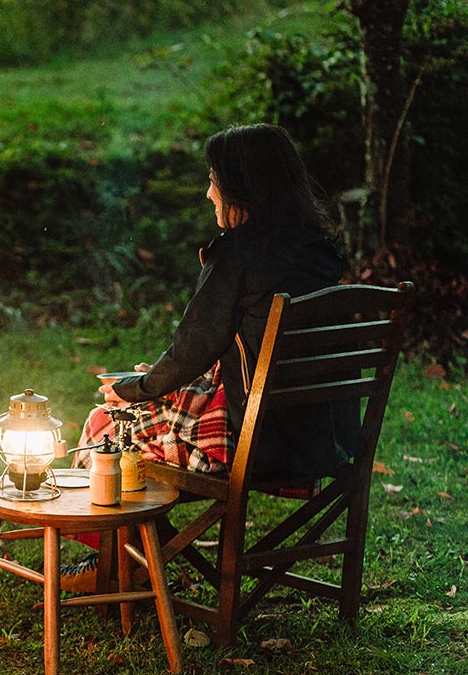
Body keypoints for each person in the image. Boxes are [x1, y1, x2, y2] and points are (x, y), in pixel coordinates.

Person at [63, 123, 359, 592]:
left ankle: (125, 566)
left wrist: (132, 391)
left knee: (105, 426)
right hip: (326, 441)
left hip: (255, 445)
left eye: (213, 180)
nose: (207, 193)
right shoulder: (321, 253)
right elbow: (239, 353)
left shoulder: (237, 256)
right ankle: (142, 561)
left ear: (242, 188)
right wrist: (164, 380)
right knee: (147, 409)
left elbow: (190, 349)